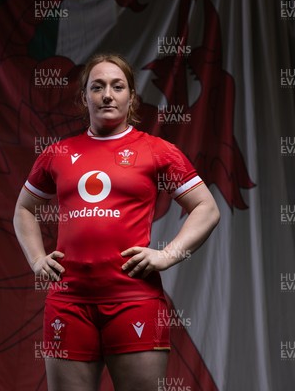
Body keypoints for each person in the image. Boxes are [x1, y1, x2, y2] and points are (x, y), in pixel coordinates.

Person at [13, 53, 220, 391]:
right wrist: (37, 259)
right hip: (69, 302)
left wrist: (166, 256)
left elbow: (207, 208)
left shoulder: (157, 150)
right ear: (84, 98)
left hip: (134, 299)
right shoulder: (59, 154)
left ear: (131, 97)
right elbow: (23, 209)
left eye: (117, 86)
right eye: (97, 87)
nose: (107, 94)